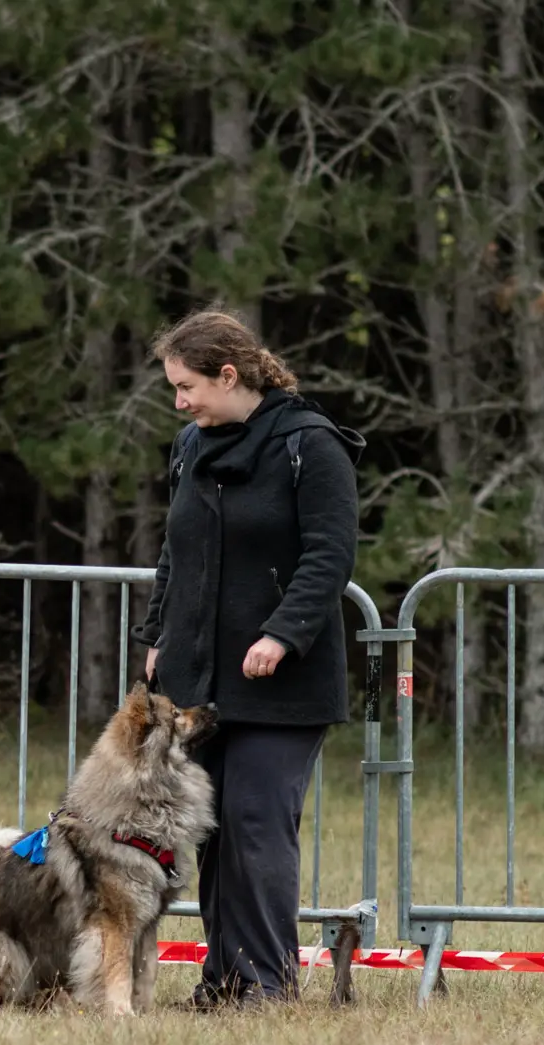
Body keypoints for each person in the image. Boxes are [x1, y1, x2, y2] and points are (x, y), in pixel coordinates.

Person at [136, 310, 363, 1007]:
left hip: (282, 682)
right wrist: (155, 637)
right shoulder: (190, 446)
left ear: (228, 375)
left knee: (259, 826)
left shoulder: (310, 445)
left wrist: (283, 633)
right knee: (215, 831)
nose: (179, 401)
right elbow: (177, 552)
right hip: (200, 681)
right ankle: (223, 983)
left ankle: (267, 985)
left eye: (187, 386)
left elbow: (330, 555)